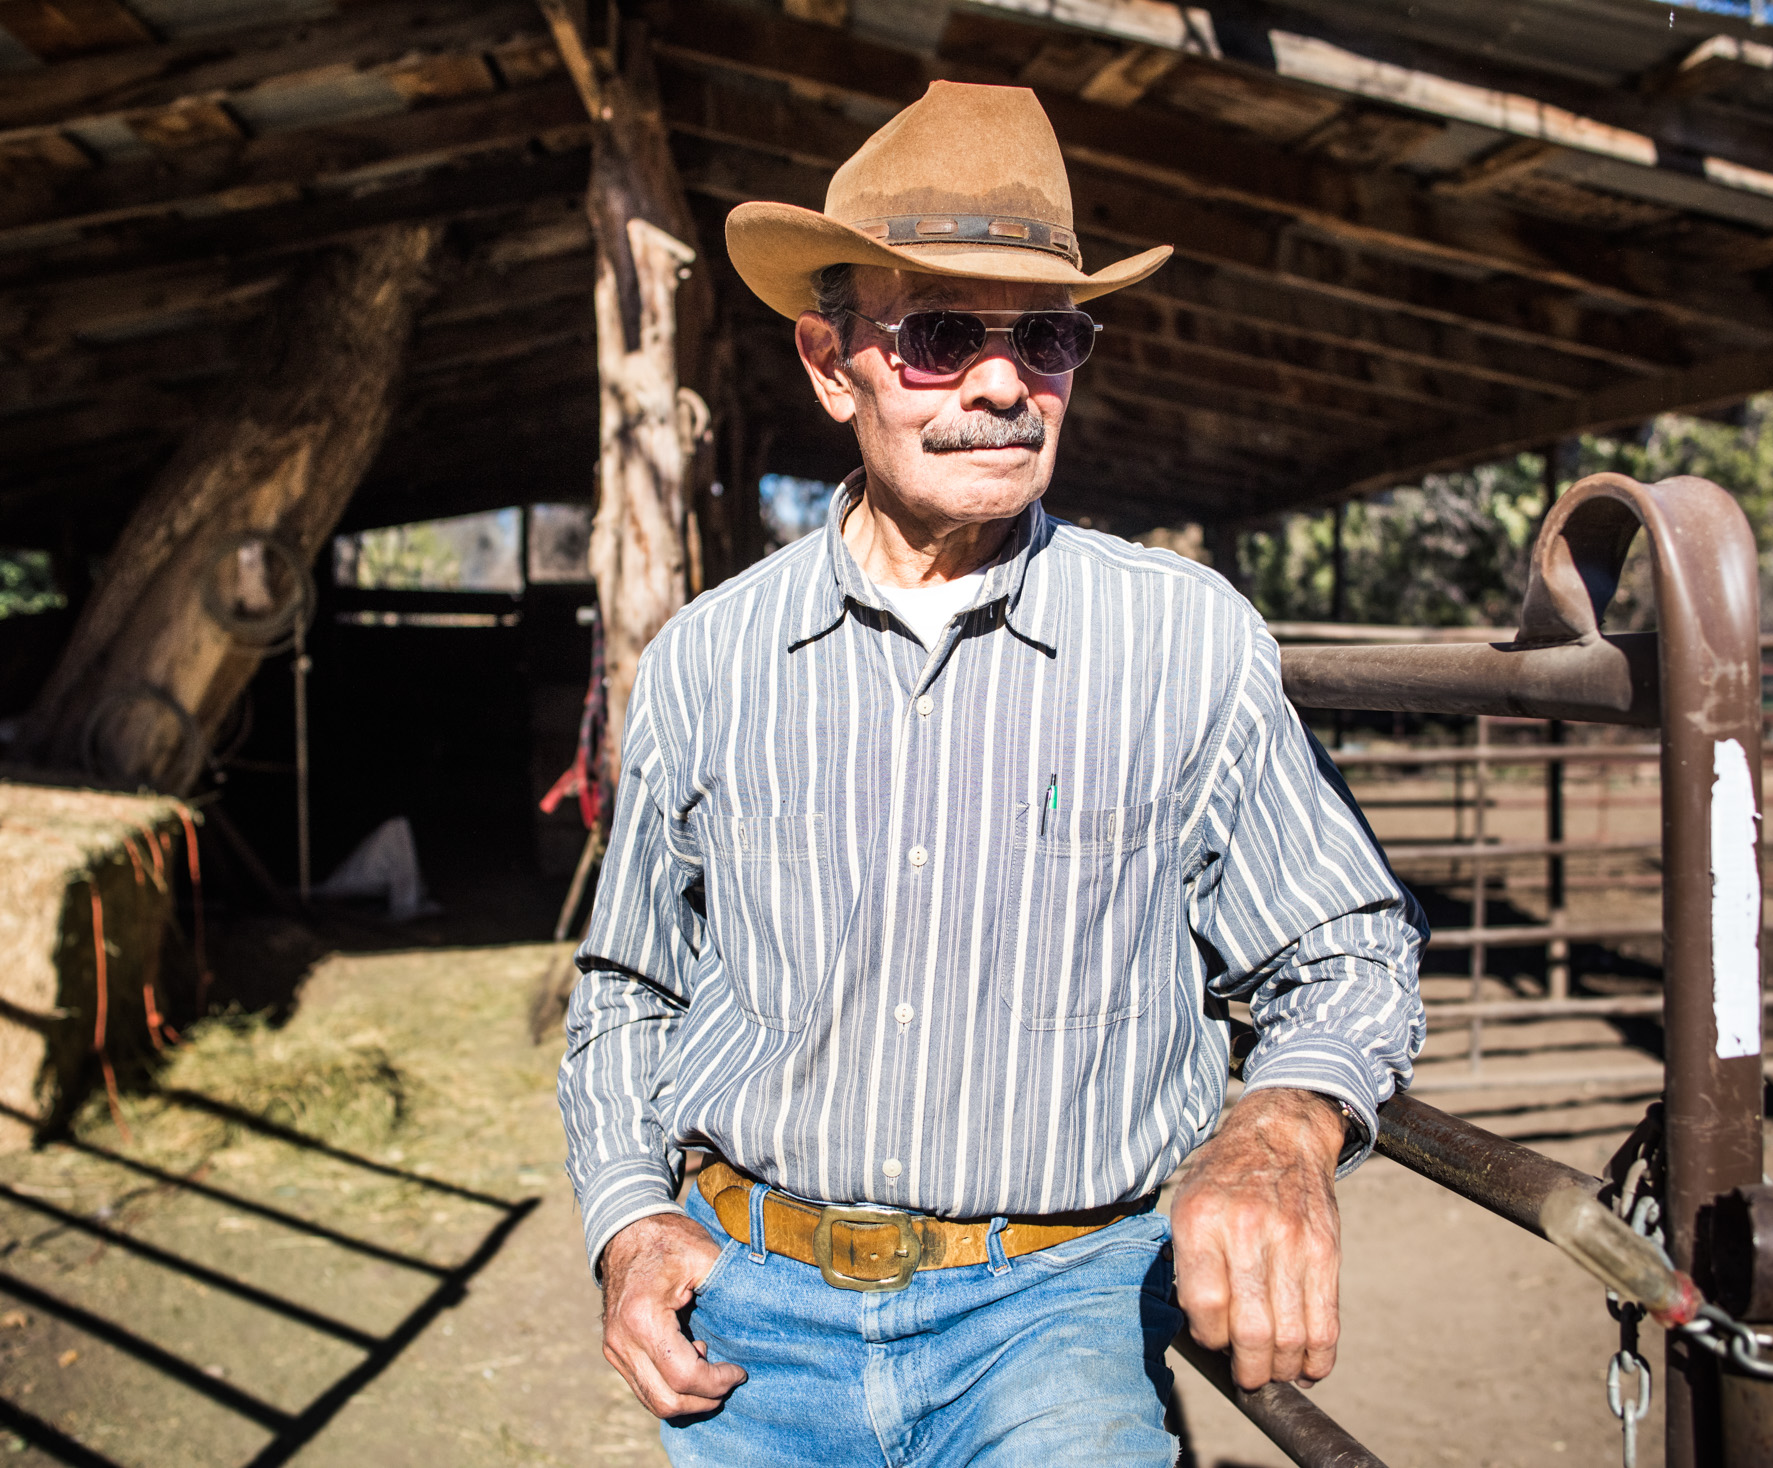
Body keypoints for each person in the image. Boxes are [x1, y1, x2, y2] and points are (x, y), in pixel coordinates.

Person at [557, 80, 1426, 1467]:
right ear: (830, 364)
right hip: (750, 1318)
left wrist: (1280, 1122)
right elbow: (629, 988)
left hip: (1057, 1311)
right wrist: (621, 1215)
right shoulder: (712, 663)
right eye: (944, 334)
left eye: (1050, 337)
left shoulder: (1182, 641)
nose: (1006, 382)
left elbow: (1349, 947)